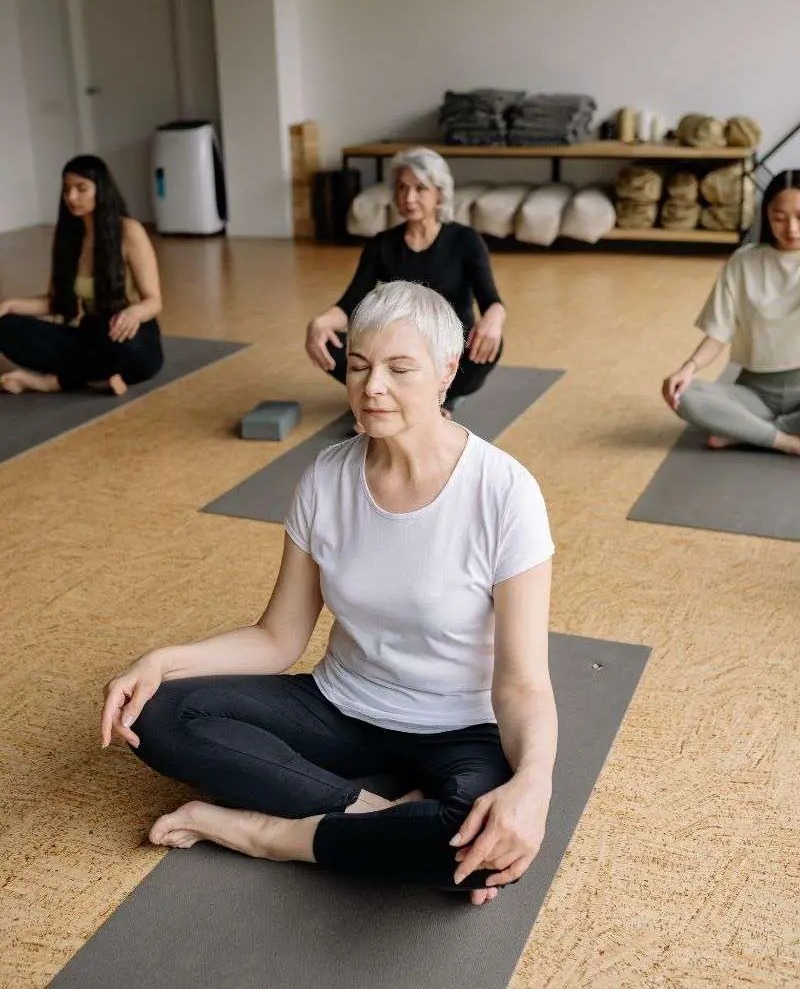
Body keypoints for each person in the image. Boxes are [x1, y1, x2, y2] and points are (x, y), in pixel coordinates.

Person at [101, 281, 556, 907]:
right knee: (154, 715)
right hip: (341, 706)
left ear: (449, 371)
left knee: (488, 852)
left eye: (400, 369)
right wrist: (162, 661)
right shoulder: (325, 477)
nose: (372, 388)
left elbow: (522, 685)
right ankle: (379, 816)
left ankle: (267, 834)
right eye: (360, 365)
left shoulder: (506, 493)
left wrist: (534, 783)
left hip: (461, 728)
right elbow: (277, 638)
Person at [305, 147, 506, 421]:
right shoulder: (381, 244)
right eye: (401, 188)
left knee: (492, 343)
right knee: (328, 341)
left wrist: (495, 317)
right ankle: (394, 395)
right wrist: (319, 323)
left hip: (449, 346)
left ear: (439, 194)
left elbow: (490, 300)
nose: (408, 198)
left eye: (420, 188)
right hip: (399, 345)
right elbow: (350, 303)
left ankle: (439, 397)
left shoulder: (465, 240)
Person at [662, 169, 800, 455]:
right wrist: (687, 369)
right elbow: (718, 331)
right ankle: (785, 440)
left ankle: (747, 431)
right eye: (779, 217)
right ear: (766, 215)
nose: (791, 229)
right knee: (684, 394)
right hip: (755, 392)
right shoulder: (743, 262)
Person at [0, 154, 163, 395]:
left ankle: (51, 383)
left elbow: (154, 301)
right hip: (90, 334)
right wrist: (10, 304)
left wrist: (133, 314)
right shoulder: (67, 236)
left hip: (129, 332)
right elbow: (56, 302)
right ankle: (97, 377)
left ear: (101, 189)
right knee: (6, 328)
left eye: (81, 188)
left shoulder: (128, 231)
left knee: (130, 351)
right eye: (67, 190)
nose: (72, 197)